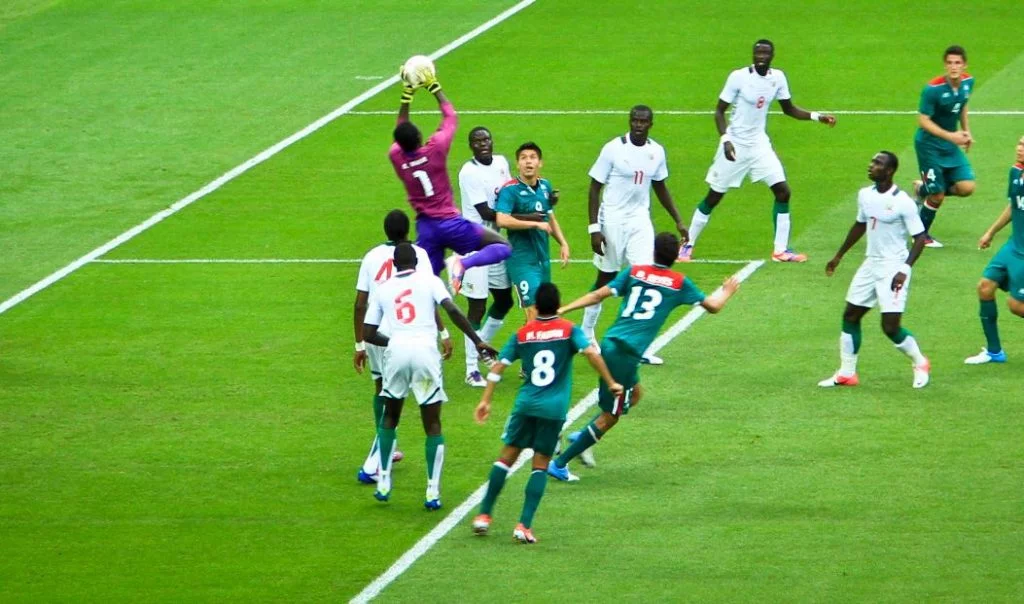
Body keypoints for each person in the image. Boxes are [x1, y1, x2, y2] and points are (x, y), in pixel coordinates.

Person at [549, 233, 740, 480]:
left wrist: (564, 308)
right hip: (626, 354)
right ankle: (560, 464)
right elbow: (713, 306)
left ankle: (583, 435)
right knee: (611, 416)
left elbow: (597, 295)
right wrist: (727, 291)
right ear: (675, 257)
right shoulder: (678, 283)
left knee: (636, 393)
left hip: (610, 343)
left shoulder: (635, 272)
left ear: (653, 251)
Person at [470, 283, 622, 544]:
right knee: (540, 465)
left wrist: (486, 400)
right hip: (553, 409)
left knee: (505, 459)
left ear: (537, 307)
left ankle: (483, 516)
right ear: (558, 305)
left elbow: (498, 367)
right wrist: (610, 382)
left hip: (526, 405)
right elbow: (590, 352)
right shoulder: (569, 330)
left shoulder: (522, 333)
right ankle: (523, 525)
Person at [363, 243, 498, 509]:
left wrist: (394, 342)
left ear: (394, 265)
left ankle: (384, 482)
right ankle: (432, 492)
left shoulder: (383, 288)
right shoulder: (430, 281)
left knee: (390, 417)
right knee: (432, 423)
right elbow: (453, 310)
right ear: (416, 262)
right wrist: (477, 340)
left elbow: (368, 333)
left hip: (397, 353)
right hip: (425, 352)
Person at [681, 39, 836, 263]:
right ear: (753, 56)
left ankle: (780, 251)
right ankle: (687, 244)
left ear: (772, 56)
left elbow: (789, 109)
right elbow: (719, 112)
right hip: (735, 145)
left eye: (765, 53)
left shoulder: (778, 78)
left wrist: (817, 116)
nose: (761, 57)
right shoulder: (738, 77)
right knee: (714, 196)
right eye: (757, 53)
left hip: (759, 146)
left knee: (783, 191)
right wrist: (726, 140)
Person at [582, 105, 689, 366]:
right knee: (606, 278)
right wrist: (594, 228)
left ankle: (636, 345)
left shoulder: (657, 151)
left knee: (646, 278)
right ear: (629, 122)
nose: (638, 125)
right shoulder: (613, 149)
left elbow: (660, 186)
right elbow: (594, 188)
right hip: (613, 220)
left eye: (643, 121)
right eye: (635, 121)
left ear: (650, 124)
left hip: (640, 220)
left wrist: (678, 220)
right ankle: (586, 332)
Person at [388, 69, 511, 292]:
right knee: (502, 246)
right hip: (452, 224)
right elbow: (450, 117)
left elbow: (400, 130)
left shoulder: (396, 157)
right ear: (419, 138)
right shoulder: (435, 150)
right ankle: (462, 264)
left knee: (427, 285)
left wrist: (407, 96)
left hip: (426, 228)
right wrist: (434, 87)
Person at [353, 210, 453, 484]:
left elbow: (360, 303)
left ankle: (387, 448)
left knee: (381, 389)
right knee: (419, 406)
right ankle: (374, 463)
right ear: (408, 231)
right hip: (406, 331)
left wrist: (359, 343)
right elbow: (427, 295)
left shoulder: (371, 256)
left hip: (376, 331)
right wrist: (443, 332)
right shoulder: (418, 254)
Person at [818, 151, 931, 389]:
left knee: (890, 327)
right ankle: (847, 373)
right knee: (850, 315)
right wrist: (839, 256)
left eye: (877, 163)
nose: (871, 166)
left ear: (889, 171)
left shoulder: (903, 202)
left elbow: (920, 238)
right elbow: (860, 225)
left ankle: (920, 362)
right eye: (872, 162)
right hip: (871, 263)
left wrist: (904, 269)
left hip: (894, 266)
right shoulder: (865, 195)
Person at [452, 127, 515, 387]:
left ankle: (482, 347)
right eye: (477, 141)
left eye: (486, 139)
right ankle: (471, 370)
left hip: (495, 241)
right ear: (471, 146)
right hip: (474, 243)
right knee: (477, 306)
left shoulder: (501, 163)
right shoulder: (469, 172)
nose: (483, 144)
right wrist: (527, 218)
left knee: (504, 300)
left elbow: (510, 193)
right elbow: (486, 212)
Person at [964, 136, 1024, 364]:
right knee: (985, 287)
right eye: (1019, 143)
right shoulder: (1016, 172)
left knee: (1016, 306)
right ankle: (994, 352)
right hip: (1013, 247)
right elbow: (1013, 205)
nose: (1019, 148)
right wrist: (991, 232)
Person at [495, 142, 570, 322]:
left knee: (545, 312)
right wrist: (534, 224)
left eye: (532, 157)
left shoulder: (545, 186)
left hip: (543, 260)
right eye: (523, 158)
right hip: (522, 261)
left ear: (540, 163)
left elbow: (550, 217)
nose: (528, 162)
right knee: (534, 313)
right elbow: (502, 220)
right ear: (517, 164)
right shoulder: (510, 190)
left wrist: (563, 243)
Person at [912, 45, 976, 248]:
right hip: (928, 145)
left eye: (957, 63)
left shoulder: (968, 82)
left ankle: (923, 189)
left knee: (967, 187)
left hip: (949, 144)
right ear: (945, 65)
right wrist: (951, 136)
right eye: (949, 63)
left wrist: (966, 132)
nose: (953, 67)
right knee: (937, 195)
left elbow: (962, 104)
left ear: (964, 65)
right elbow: (923, 121)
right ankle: (920, 235)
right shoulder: (933, 89)